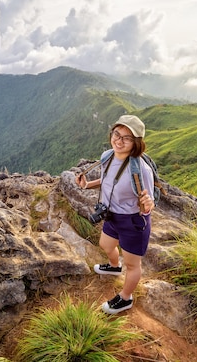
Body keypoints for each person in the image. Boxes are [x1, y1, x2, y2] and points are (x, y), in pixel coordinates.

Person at [75, 114, 155, 314]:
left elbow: (148, 203)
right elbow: (108, 180)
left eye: (126, 138)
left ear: (136, 142)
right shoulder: (107, 156)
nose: (119, 141)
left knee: (132, 264)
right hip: (111, 215)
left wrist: (147, 205)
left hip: (133, 222)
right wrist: (87, 185)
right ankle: (114, 265)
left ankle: (125, 298)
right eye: (116, 134)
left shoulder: (141, 170)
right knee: (105, 245)